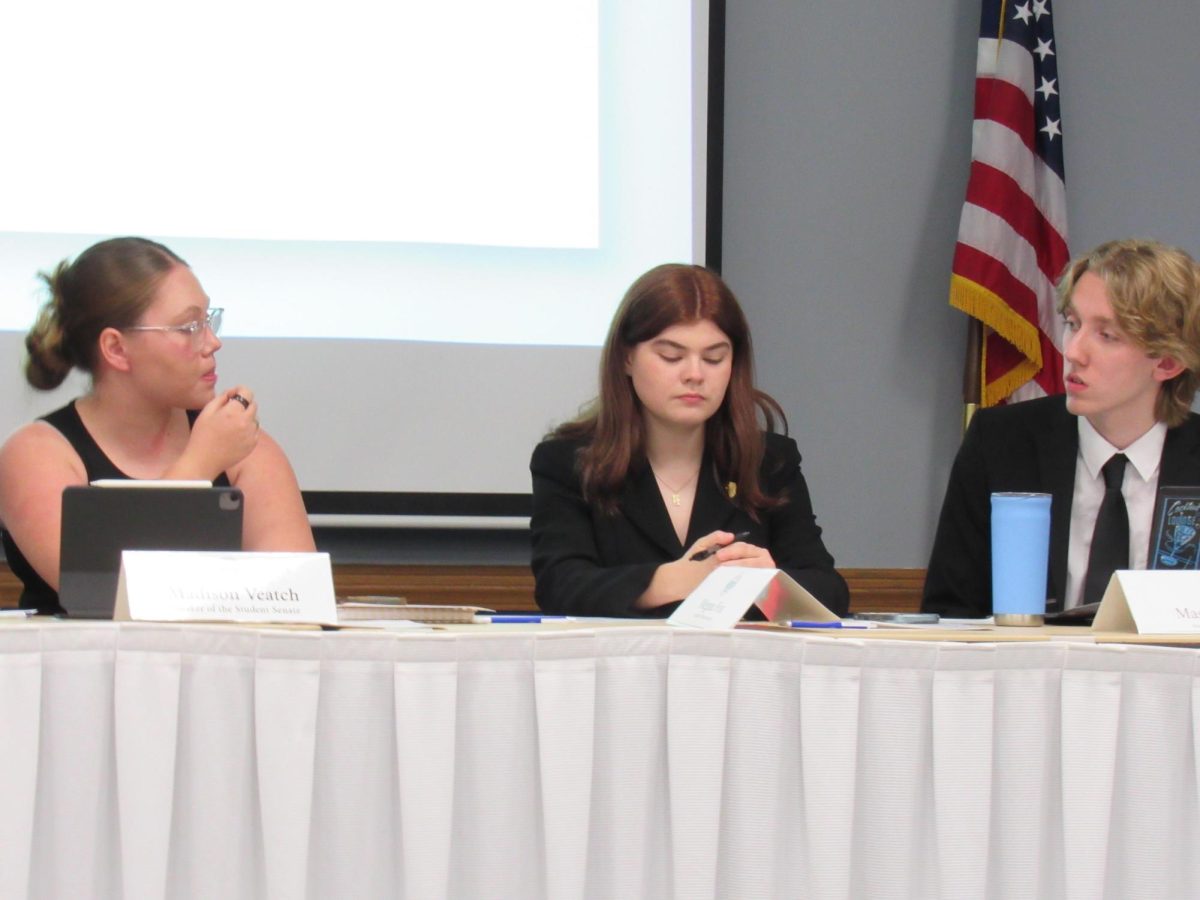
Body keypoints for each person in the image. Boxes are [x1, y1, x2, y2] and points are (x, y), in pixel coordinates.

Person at [0, 237, 315, 613]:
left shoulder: (245, 450)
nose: (212, 342)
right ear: (116, 349)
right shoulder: (36, 453)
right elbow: (108, 590)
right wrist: (199, 465)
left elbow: (298, 605)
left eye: (209, 320)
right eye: (188, 327)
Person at [529, 263, 849, 618]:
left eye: (714, 358)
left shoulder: (768, 461)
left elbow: (830, 592)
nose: (695, 375)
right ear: (626, 358)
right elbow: (560, 587)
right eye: (672, 356)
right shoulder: (567, 461)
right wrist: (674, 580)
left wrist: (770, 586)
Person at [923, 238, 1200, 618]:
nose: (1072, 351)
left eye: (1107, 335)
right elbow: (950, 611)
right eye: (1073, 324)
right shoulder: (1001, 442)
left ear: (1167, 362)